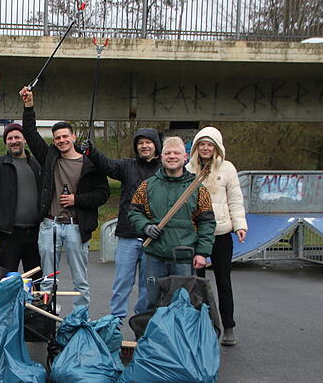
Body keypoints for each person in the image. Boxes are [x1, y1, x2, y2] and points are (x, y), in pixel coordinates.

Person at [19, 87, 110, 308]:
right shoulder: (50, 158)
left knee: (80, 280)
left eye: (65, 136)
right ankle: (49, 318)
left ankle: (80, 321)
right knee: (48, 280)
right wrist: (28, 106)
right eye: (57, 138)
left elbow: (103, 194)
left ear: (73, 137)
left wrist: (76, 200)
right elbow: (30, 134)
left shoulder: (90, 162)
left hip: (76, 228)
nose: (61, 141)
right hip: (49, 225)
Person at [128, 136, 215, 311]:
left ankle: (178, 338)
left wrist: (202, 253)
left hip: (184, 257)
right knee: (151, 303)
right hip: (154, 256)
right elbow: (134, 212)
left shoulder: (198, 188)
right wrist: (145, 226)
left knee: (182, 304)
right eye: (168, 153)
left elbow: (207, 222)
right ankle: (149, 337)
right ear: (161, 157)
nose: (172, 156)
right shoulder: (147, 186)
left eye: (177, 153)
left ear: (186, 158)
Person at [80, 130, 161, 320]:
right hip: (127, 235)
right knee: (121, 283)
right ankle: (115, 322)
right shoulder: (127, 166)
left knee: (148, 285)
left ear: (156, 145)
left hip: (154, 237)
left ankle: (143, 322)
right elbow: (107, 165)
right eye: (140, 143)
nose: (144, 146)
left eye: (148, 142)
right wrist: (92, 151)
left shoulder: (164, 170)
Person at [187, 126, 247, 346]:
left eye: (209, 144)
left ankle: (228, 326)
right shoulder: (188, 169)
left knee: (224, 281)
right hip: (195, 234)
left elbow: (235, 200)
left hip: (221, 233)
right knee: (196, 282)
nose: (205, 148)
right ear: (196, 147)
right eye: (201, 144)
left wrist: (240, 225)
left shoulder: (228, 169)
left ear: (216, 147)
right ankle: (199, 326)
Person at [0, 123, 42, 277]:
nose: (14, 141)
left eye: (17, 137)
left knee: (36, 279)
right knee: (7, 280)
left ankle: (34, 302)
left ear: (24, 139)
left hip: (34, 233)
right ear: (6, 142)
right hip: (8, 234)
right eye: (9, 138)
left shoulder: (36, 164)